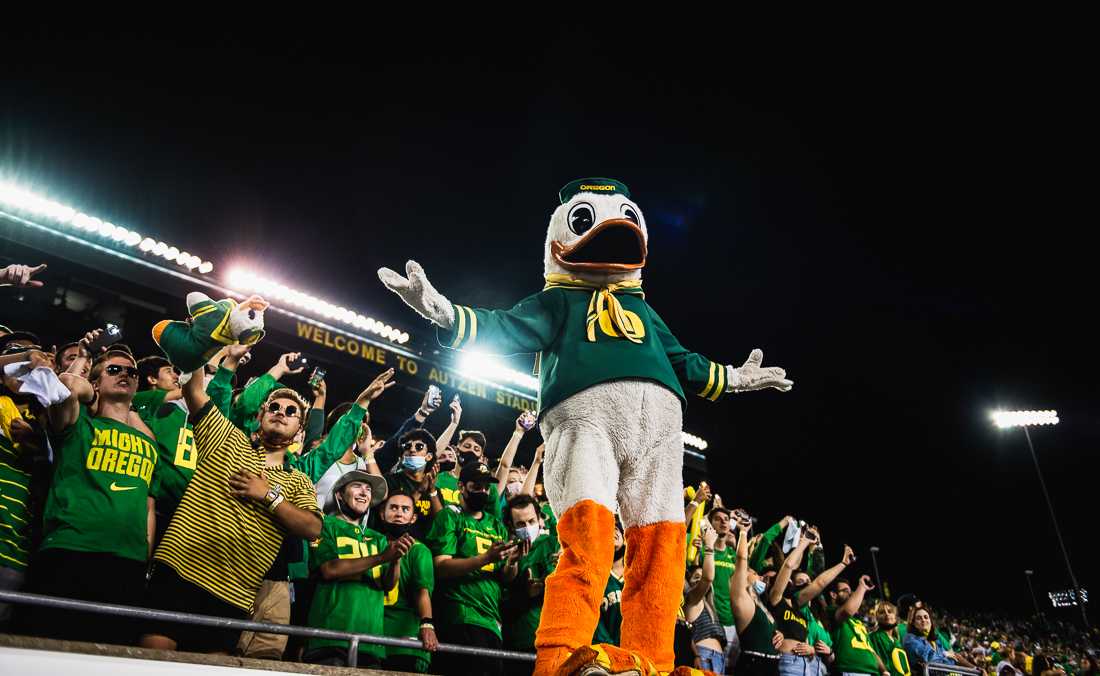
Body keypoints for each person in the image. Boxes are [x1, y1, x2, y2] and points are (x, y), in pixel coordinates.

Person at [140, 364, 323, 654]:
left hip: (233, 592)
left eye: (291, 412)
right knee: (152, 662)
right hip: (178, 570)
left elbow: (313, 527)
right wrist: (205, 346)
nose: (280, 412)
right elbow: (194, 390)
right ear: (260, 415)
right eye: (274, 406)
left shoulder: (298, 481)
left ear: (299, 430)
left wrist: (269, 496)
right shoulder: (226, 438)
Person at [25, 344, 159, 643]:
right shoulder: (79, 423)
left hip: (127, 562)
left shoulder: (149, 442)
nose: (125, 374)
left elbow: (149, 507)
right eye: (114, 369)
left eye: (131, 372)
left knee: (108, 659)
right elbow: (68, 385)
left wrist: (144, 559)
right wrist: (88, 383)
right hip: (71, 549)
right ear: (95, 382)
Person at [304, 470, 413, 667]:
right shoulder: (324, 524)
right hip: (330, 636)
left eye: (368, 489)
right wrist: (382, 557)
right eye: (357, 486)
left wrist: (395, 559)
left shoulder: (378, 537)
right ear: (339, 494)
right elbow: (330, 569)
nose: (364, 492)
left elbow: (388, 585)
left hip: (371, 641)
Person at [426, 461, 521, 676]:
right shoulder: (450, 517)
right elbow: (440, 567)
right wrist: (486, 557)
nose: (483, 491)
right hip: (460, 614)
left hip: (492, 619)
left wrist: (512, 562)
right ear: (461, 487)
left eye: (486, 487)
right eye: (476, 486)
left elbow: (505, 578)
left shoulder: (496, 525)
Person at [379, 489, 439, 673]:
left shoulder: (419, 550)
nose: (398, 513)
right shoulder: (371, 542)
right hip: (374, 637)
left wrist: (427, 624)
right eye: (394, 508)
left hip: (406, 639)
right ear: (382, 514)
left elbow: (422, 592)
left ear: (413, 518)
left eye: (405, 509)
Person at [502, 493, 561, 671]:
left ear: (539, 520)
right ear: (511, 527)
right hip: (519, 640)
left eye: (531, 521)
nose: (527, 527)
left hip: (554, 638)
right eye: (520, 524)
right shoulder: (506, 551)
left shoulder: (554, 544)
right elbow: (504, 588)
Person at [731, 518, 785, 676]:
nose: (760, 577)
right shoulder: (741, 596)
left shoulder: (760, 602)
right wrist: (743, 532)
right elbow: (741, 560)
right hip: (753, 666)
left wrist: (779, 634)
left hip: (772, 666)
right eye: (754, 573)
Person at [683, 519, 725, 674]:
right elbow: (707, 578)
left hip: (718, 658)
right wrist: (709, 547)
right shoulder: (692, 600)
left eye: (700, 575)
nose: (700, 579)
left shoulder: (708, 604)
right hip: (704, 656)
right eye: (695, 578)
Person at [385, 428, 442, 539]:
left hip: (425, 548)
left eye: (419, 447)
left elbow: (441, 521)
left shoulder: (434, 489)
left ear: (429, 456)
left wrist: (432, 491)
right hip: (394, 543)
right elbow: (393, 514)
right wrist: (419, 491)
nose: (412, 450)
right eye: (407, 447)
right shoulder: (390, 481)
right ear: (403, 456)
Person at [831, 574, 888, 676]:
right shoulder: (832, 611)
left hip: (872, 672)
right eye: (845, 591)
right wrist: (862, 586)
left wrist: (884, 670)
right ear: (833, 595)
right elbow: (847, 611)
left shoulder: (858, 622)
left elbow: (870, 650)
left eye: (850, 591)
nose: (850, 594)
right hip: (852, 670)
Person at [904, 607, 975, 670]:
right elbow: (933, 661)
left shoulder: (935, 641)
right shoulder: (910, 640)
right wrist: (945, 655)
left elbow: (954, 657)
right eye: (919, 618)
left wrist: (976, 669)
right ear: (913, 623)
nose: (923, 620)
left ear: (930, 621)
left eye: (926, 617)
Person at [593, 519, 626, 647]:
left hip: (640, 655)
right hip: (609, 656)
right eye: (607, 529)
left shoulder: (637, 573)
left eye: (616, 528)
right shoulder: (595, 578)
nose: (613, 531)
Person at [870, 602, 913, 676]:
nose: (887, 614)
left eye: (890, 611)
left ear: (895, 616)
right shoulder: (873, 637)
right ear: (877, 617)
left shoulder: (897, 641)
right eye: (882, 612)